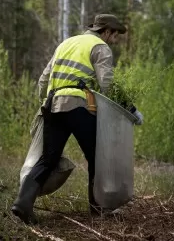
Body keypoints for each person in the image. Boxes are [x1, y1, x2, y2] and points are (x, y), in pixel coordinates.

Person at [11, 14, 144, 225]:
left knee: (48, 159)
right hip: (79, 106)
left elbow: (43, 80)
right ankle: (98, 209)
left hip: (52, 106)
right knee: (97, 158)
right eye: (115, 34)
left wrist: (44, 104)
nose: (115, 40)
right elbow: (107, 85)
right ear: (106, 31)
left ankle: (22, 204)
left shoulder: (66, 43)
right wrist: (131, 109)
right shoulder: (100, 47)